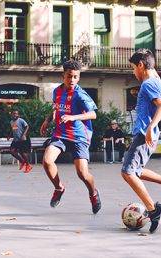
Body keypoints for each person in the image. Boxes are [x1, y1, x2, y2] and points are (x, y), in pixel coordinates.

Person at [121, 49, 161, 234]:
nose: (133, 72)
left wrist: (150, 127)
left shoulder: (148, 84)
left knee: (128, 172)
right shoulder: (154, 81)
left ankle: (153, 209)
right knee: (136, 170)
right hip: (146, 133)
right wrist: (154, 71)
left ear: (140, 65)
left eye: (133, 68)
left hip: (143, 133)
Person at [40, 60, 101, 214]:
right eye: (69, 76)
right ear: (63, 76)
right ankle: (59, 187)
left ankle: (93, 193)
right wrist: (47, 120)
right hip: (60, 134)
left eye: (75, 77)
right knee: (47, 161)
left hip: (79, 137)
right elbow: (55, 107)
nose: (72, 80)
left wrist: (73, 117)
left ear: (79, 77)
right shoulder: (57, 91)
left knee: (82, 174)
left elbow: (93, 114)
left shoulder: (80, 95)